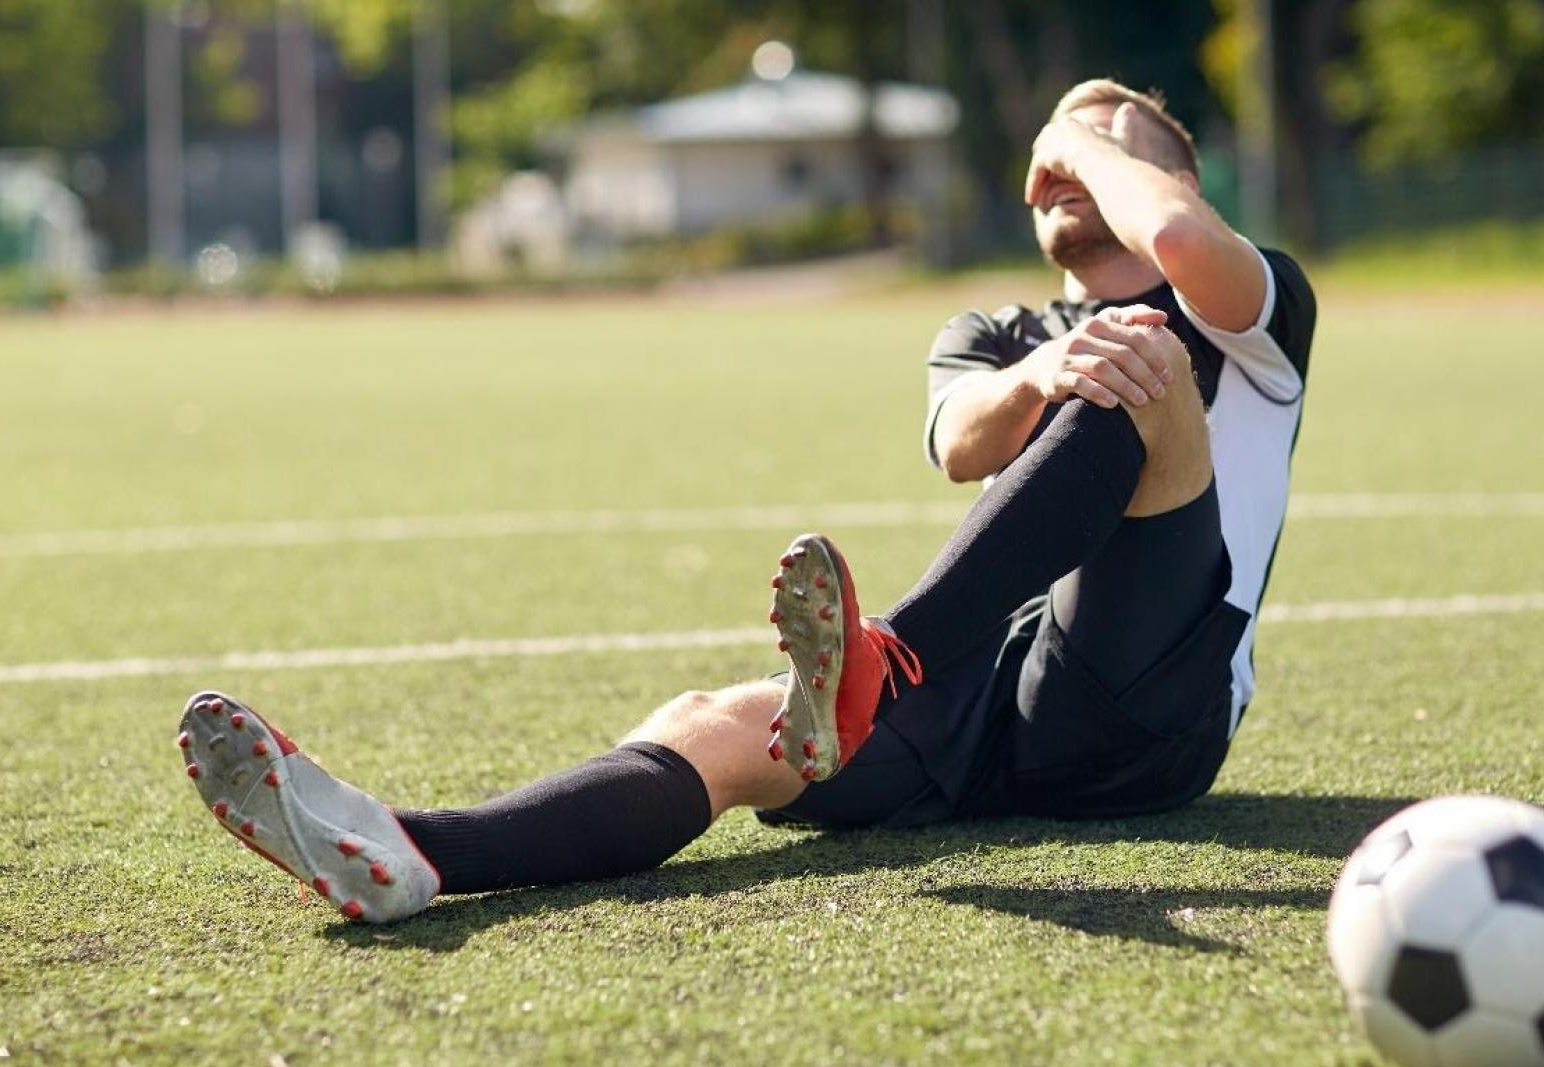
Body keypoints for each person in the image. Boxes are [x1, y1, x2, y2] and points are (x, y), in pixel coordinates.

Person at [173, 78, 1316, 924]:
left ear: (1177, 176)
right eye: (1051, 158)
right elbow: (965, 446)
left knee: (1138, 359)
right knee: (715, 722)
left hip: (1153, 706)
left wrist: (1081, 133)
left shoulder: (1250, 309)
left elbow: (1169, 234)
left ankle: (885, 659)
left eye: (1104, 148)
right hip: (988, 703)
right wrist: (1040, 369)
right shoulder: (988, 334)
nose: (1064, 166)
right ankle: (411, 852)